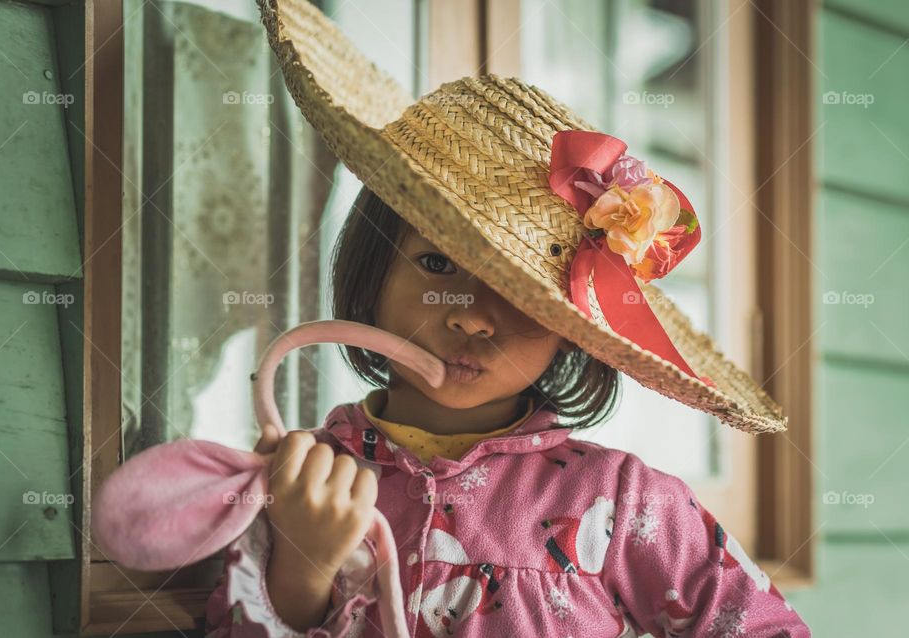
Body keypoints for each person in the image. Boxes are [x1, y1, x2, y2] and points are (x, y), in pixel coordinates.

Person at [205, 0, 810, 635]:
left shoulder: (626, 503)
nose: (471, 319)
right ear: (372, 270)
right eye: (437, 264)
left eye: (521, 296)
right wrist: (301, 564)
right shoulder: (299, 481)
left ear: (573, 329)